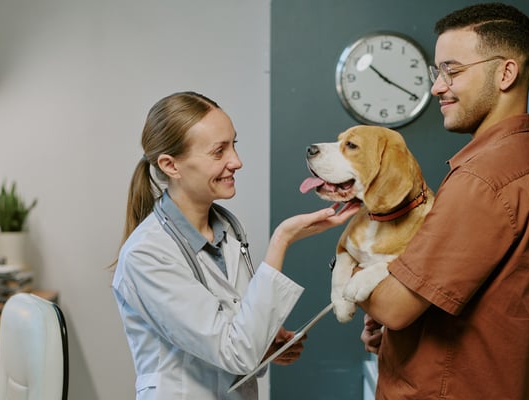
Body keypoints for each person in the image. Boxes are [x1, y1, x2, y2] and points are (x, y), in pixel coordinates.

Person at [357, 3, 529, 399]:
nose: (437, 86)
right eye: (438, 73)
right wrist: (400, 338)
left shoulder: (482, 179)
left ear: (506, 72)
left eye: (452, 71)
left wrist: (349, 255)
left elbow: (395, 308)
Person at [111, 91, 359, 400]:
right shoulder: (146, 255)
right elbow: (234, 353)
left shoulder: (226, 230)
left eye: (234, 145)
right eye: (219, 152)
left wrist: (264, 342)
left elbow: (234, 337)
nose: (237, 162)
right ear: (170, 165)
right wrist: (282, 239)